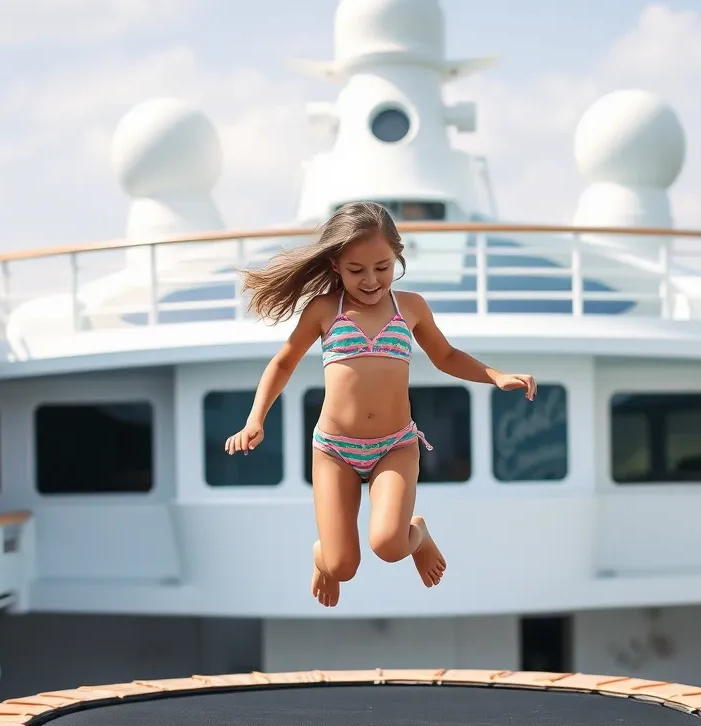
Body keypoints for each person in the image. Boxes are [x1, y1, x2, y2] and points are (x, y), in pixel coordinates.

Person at [225, 201, 536, 608]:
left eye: (383, 267)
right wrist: (255, 420)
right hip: (335, 450)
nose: (371, 280)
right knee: (341, 565)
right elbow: (282, 363)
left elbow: (446, 356)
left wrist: (494, 375)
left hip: (395, 445)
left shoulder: (410, 308)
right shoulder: (324, 310)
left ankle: (417, 533)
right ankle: (323, 558)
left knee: (390, 545)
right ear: (336, 264)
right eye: (357, 270)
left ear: (397, 257)